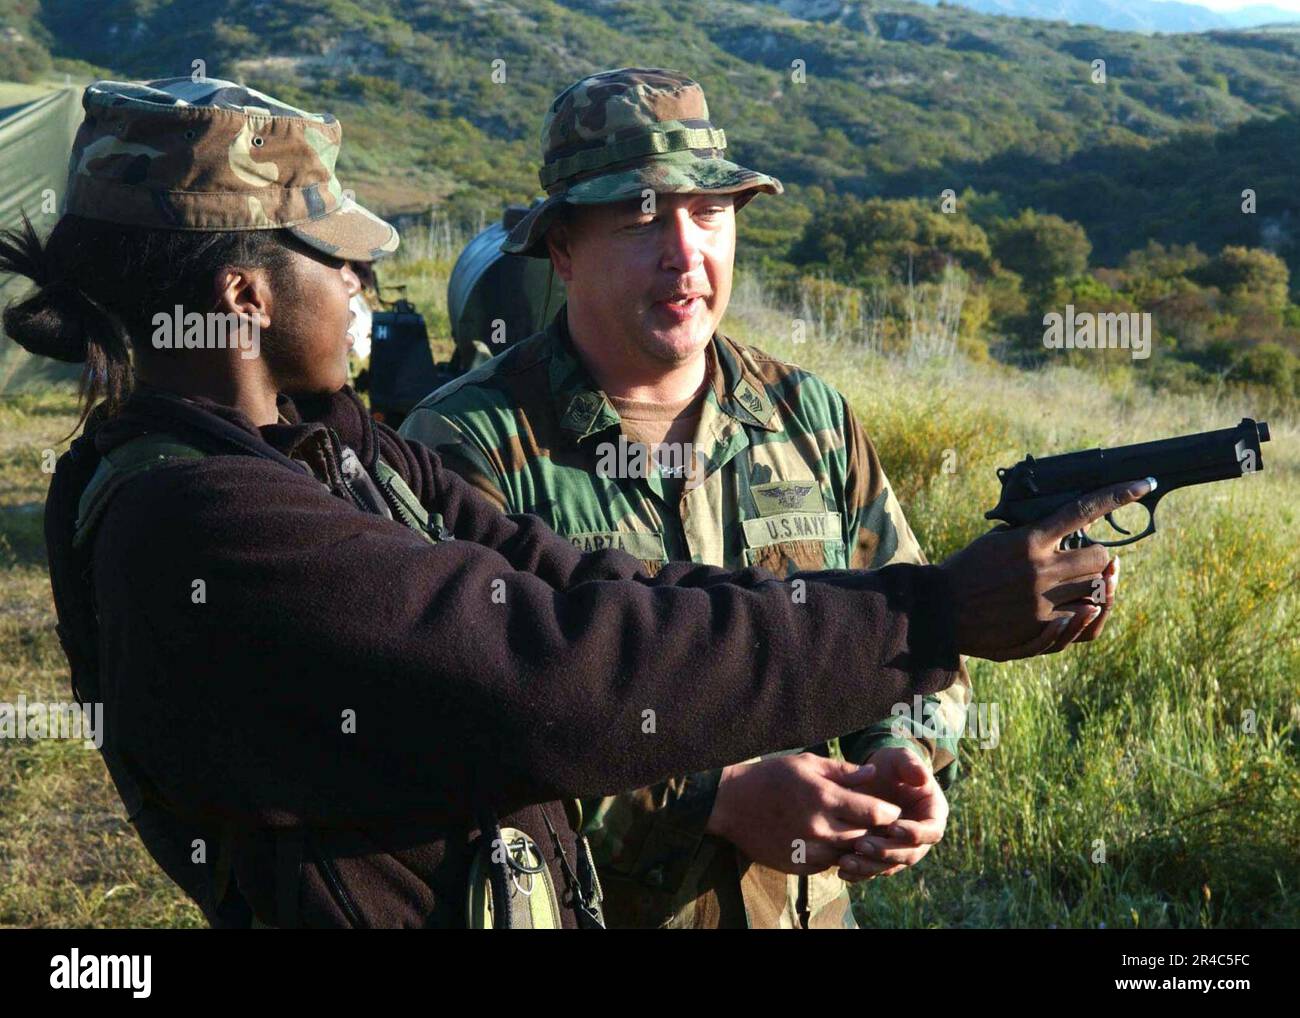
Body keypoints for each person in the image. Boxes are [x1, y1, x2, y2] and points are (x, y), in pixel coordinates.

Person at [3, 76, 1137, 929]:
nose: (365, 284)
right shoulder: (207, 519)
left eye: (711, 213)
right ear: (242, 292)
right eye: (335, 258)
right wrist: (920, 620)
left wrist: (909, 637)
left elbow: (590, 583)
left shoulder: (327, 447)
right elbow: (552, 670)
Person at [400, 67, 1097, 928]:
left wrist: (902, 758)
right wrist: (712, 801)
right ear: (564, 250)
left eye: (711, 215)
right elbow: (457, 720)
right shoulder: (463, 446)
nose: (685, 253)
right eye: (643, 219)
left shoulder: (809, 417)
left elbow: (914, 620)